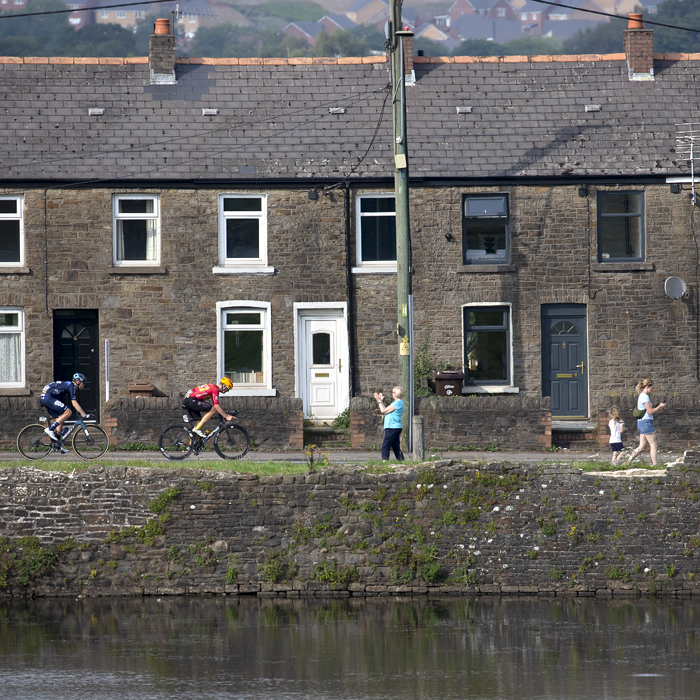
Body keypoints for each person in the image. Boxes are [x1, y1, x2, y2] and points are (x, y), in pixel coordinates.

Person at [625, 378, 666, 466]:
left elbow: (648, 410)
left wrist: (658, 408)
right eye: (652, 387)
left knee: (642, 446)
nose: (652, 389)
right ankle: (655, 465)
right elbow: (650, 411)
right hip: (646, 422)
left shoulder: (642, 396)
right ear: (647, 386)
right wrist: (659, 406)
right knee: (653, 444)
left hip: (641, 423)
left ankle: (628, 462)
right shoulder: (644, 396)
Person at [40, 373, 89, 442]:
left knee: (61, 418)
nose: (84, 385)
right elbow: (74, 403)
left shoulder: (69, 385)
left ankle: (57, 442)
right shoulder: (71, 386)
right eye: (83, 383)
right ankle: (50, 429)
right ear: (78, 382)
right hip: (48, 397)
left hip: (46, 397)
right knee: (69, 412)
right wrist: (83, 414)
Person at [373, 386, 405, 462]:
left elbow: (383, 411)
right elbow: (386, 410)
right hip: (392, 427)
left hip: (392, 427)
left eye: (393, 392)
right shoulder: (396, 403)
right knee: (395, 446)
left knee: (385, 445)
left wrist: (379, 401)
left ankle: (385, 461)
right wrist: (381, 401)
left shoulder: (398, 402)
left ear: (396, 393)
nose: (392, 394)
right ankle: (401, 461)